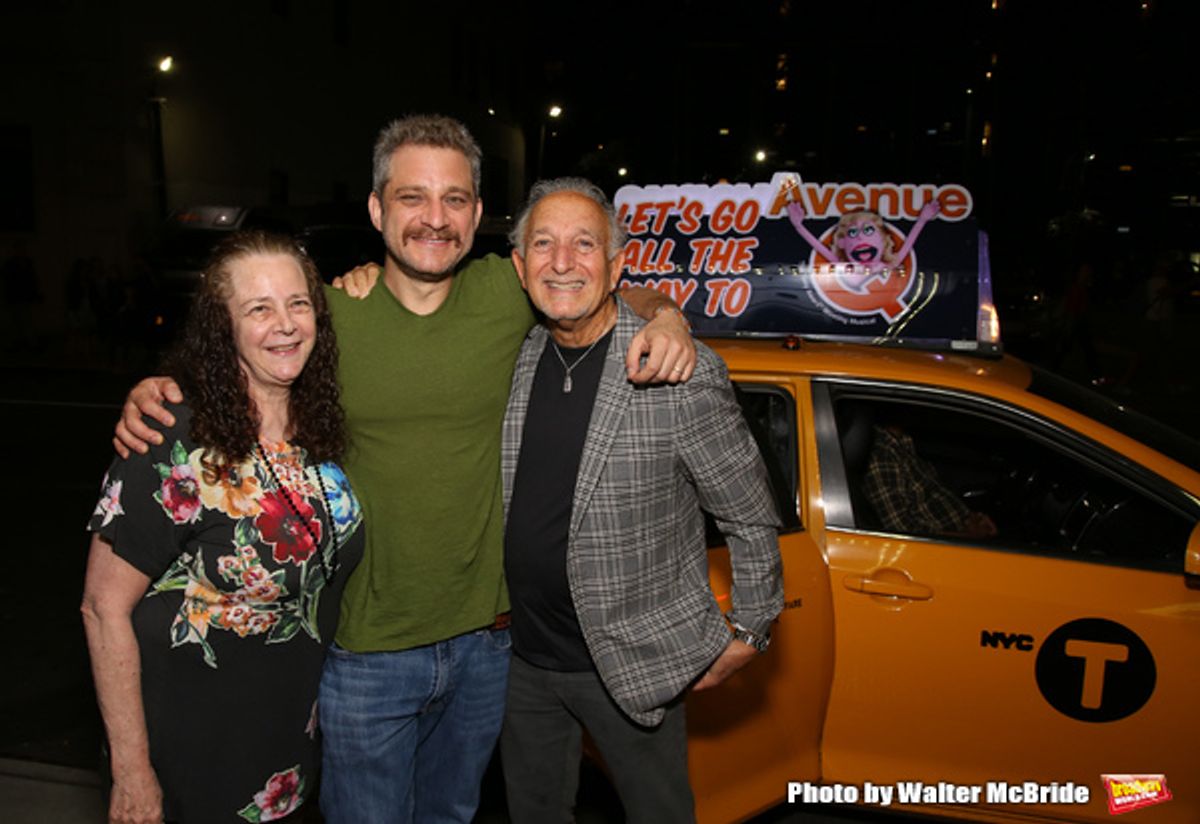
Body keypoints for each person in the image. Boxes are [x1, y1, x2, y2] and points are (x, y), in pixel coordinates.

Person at [113, 114, 695, 823]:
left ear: (479, 215)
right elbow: (236, 361)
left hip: (488, 646)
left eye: (454, 199)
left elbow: (602, 290)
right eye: (412, 197)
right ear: (376, 209)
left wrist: (668, 316)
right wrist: (156, 393)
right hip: (365, 655)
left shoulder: (508, 295)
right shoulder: (325, 317)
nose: (434, 218)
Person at [499, 178, 783, 822]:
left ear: (617, 264)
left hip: (633, 664)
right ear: (520, 268)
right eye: (543, 245)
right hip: (522, 663)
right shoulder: (516, 356)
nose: (562, 262)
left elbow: (748, 512)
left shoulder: (675, 367)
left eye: (583, 244)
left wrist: (752, 629)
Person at [82, 230, 365, 823]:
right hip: (190, 752)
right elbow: (102, 609)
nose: (284, 324)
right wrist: (132, 774)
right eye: (258, 308)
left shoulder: (318, 424)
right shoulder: (170, 439)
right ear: (223, 327)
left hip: (287, 744)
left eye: (297, 303)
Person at [862, 422, 996, 540]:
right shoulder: (882, 455)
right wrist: (970, 537)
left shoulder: (902, 444)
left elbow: (933, 494)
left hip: (962, 533)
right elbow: (901, 531)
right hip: (946, 549)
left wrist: (973, 518)